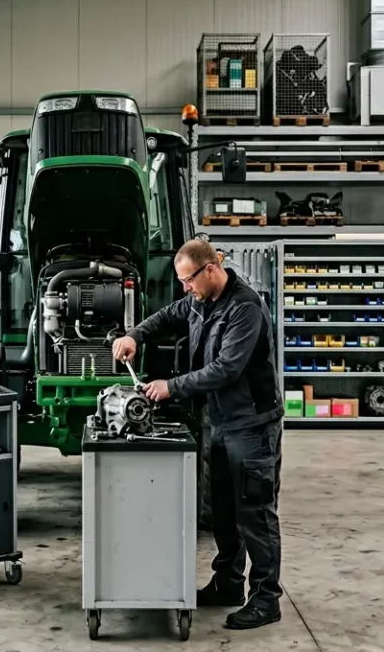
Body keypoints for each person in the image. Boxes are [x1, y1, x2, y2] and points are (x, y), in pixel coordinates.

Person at [112, 239, 283, 630]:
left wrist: (171, 387)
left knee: (254, 513)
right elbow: (167, 316)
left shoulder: (245, 308)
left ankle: (267, 598)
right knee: (221, 510)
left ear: (210, 269)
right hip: (218, 422)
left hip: (251, 426)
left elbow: (226, 369)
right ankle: (228, 584)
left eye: (188, 280)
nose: (185, 288)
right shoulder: (199, 300)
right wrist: (134, 335)